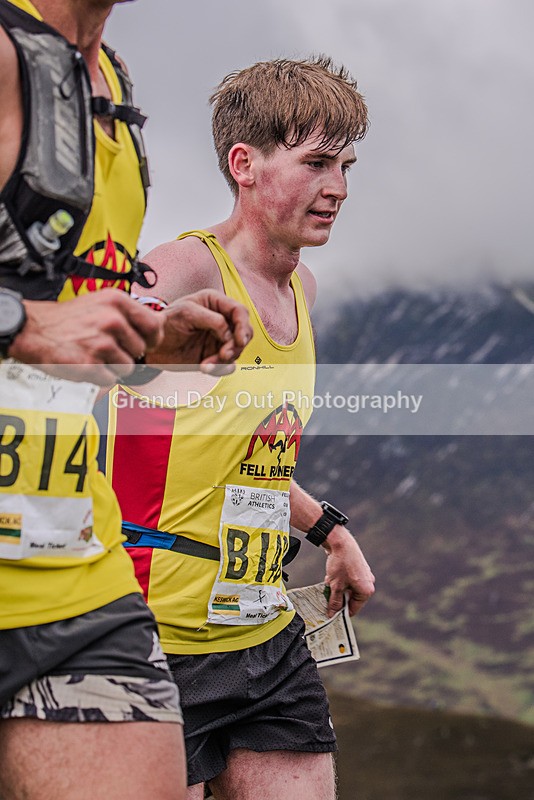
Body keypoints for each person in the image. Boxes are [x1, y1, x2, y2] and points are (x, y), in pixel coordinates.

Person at [0, 2, 252, 799]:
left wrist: (146, 342)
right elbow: (33, 321)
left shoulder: (109, 80)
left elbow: (62, 322)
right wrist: (23, 323)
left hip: (70, 565)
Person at [107, 56, 376, 800]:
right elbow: (78, 347)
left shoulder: (303, 288)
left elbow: (248, 456)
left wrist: (332, 533)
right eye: (317, 162)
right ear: (244, 164)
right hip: (155, 637)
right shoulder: (186, 268)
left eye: (347, 165)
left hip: (262, 631)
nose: (339, 189)